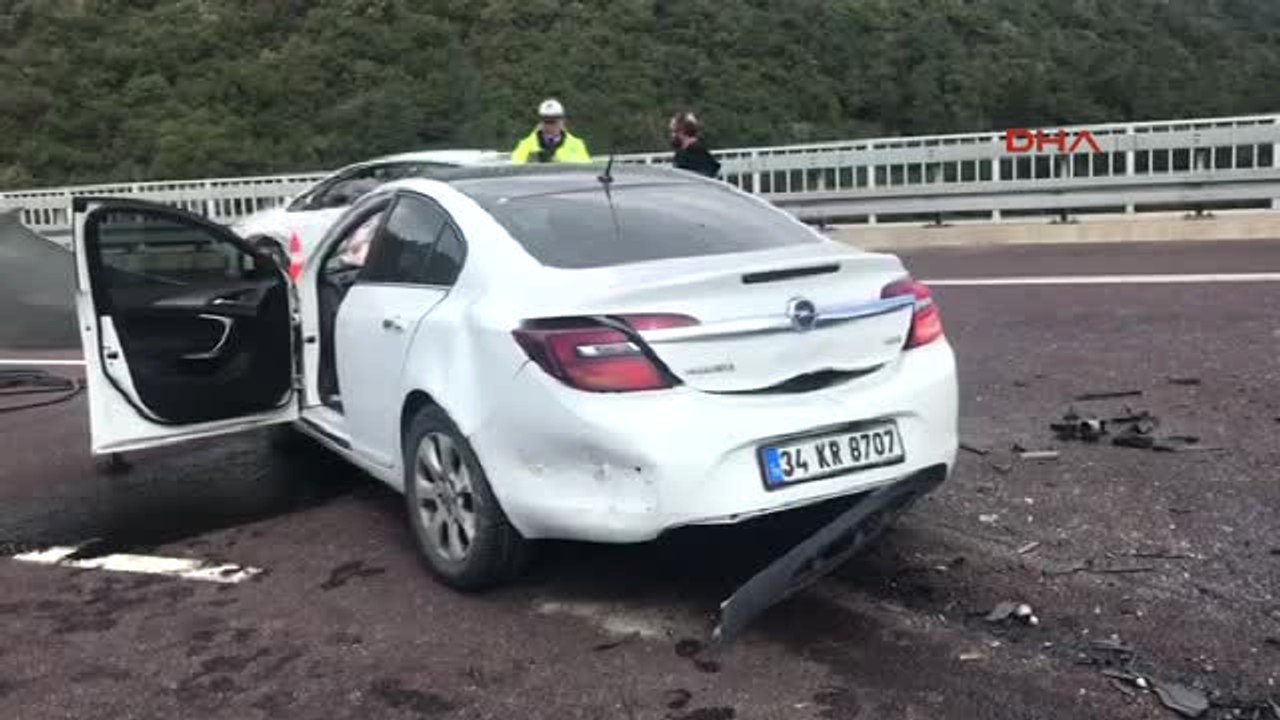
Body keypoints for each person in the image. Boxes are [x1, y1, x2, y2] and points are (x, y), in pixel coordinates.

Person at [511, 98, 592, 164]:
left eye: (553, 121)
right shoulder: (525, 145)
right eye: (546, 121)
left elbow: (585, 170)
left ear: (562, 121)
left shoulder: (577, 145)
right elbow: (516, 166)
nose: (549, 126)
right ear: (541, 122)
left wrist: (558, 160)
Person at [670, 110, 721, 178]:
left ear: (682, 132)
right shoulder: (683, 152)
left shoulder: (696, 152)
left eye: (674, 131)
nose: (672, 135)